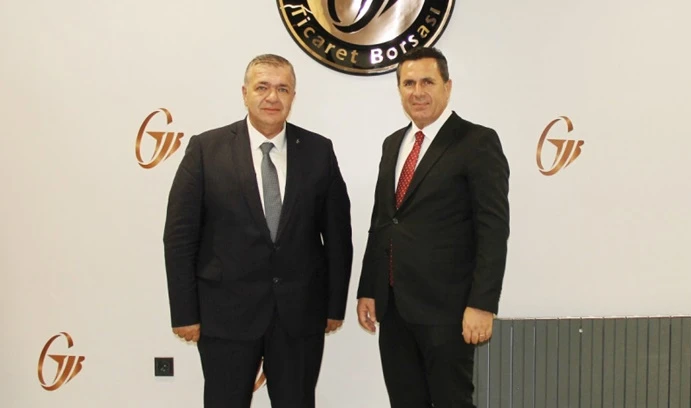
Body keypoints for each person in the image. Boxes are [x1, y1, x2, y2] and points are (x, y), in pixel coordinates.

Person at [163, 54, 353, 408]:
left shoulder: (318, 151)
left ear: (293, 96)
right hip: (225, 315)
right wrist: (185, 312)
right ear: (245, 93)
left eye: (283, 89)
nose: (272, 97)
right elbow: (179, 238)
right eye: (262, 87)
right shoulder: (206, 149)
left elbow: (338, 237)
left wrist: (334, 306)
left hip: (300, 316)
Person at [356, 47, 510, 408]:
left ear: (447, 86)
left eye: (428, 82)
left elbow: (493, 229)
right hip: (394, 309)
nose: (418, 92)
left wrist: (482, 304)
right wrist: (368, 289)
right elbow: (382, 222)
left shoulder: (477, 142)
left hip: (449, 311)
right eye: (408, 83)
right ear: (399, 90)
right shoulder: (393, 144)